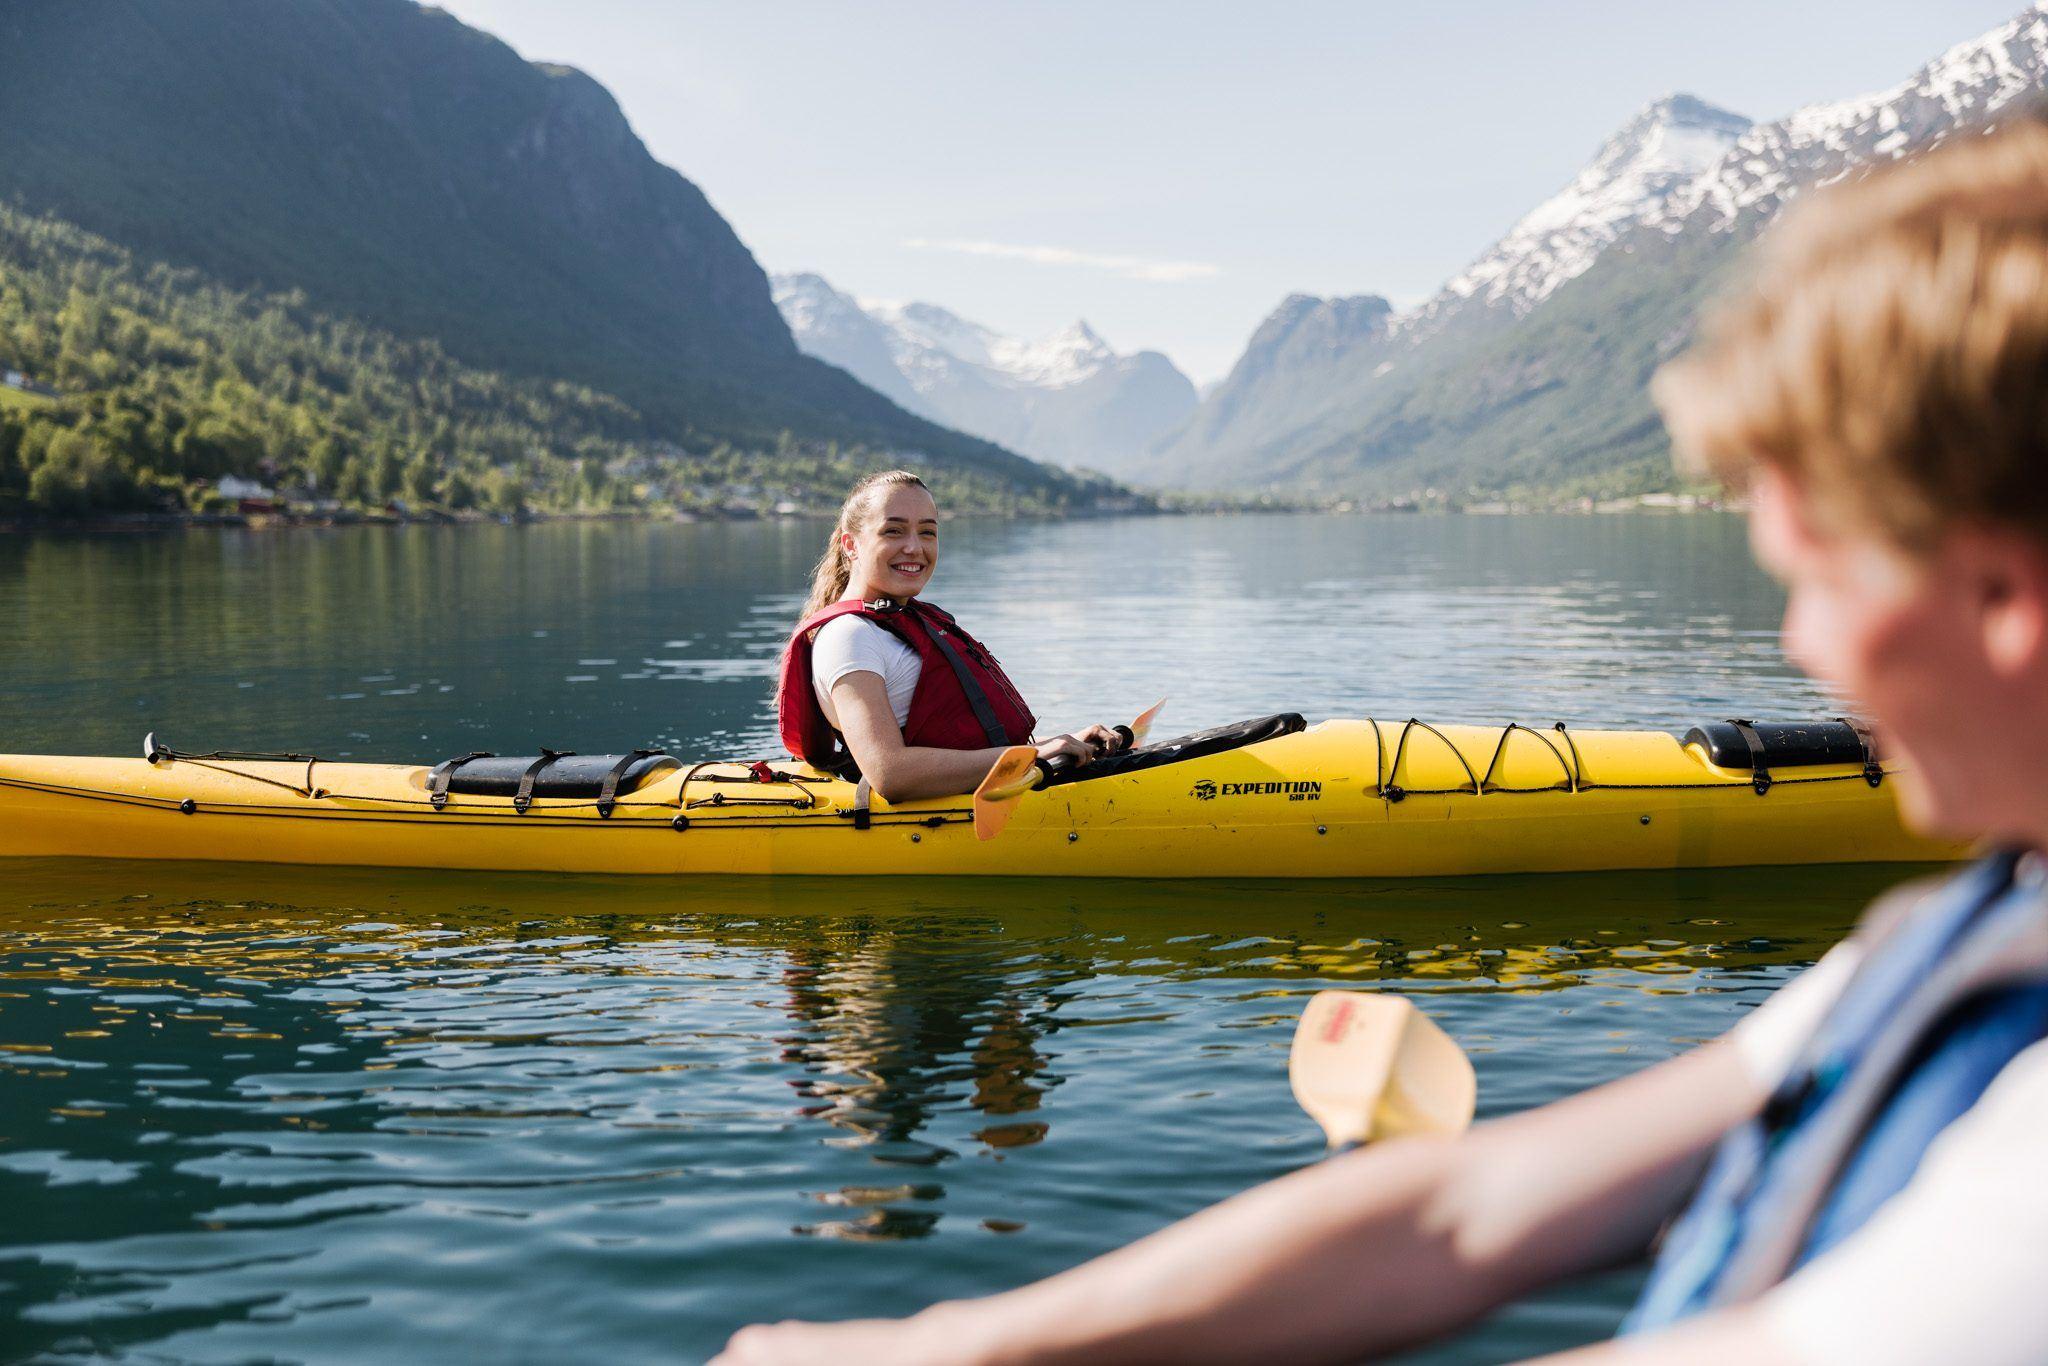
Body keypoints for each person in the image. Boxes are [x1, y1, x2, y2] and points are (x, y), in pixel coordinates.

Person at [719, 123, 2048, 1365]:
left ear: (2003, 594)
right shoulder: (1948, 940)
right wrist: (951, 1343)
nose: (1804, 648)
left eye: (1824, 575)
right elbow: (1459, 1209)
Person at [777, 470, 1127, 802]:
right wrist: (1031, 754)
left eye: (927, 532)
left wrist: (1063, 742)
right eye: (894, 531)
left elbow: (963, 749)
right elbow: (889, 773)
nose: (915, 548)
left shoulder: (902, 620)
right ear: (851, 545)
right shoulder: (849, 636)